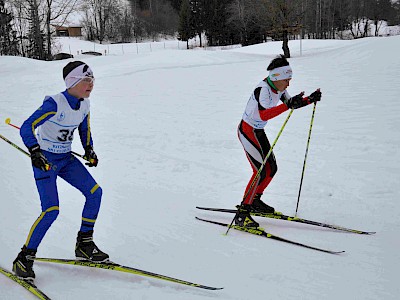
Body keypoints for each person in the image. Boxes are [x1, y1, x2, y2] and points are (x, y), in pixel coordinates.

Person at [13, 61, 109, 280]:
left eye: (92, 80)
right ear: (72, 82)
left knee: (95, 193)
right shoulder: (54, 104)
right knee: (51, 210)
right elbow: (27, 126)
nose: (91, 85)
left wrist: (89, 150)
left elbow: (85, 129)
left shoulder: (84, 104)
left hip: (66, 160)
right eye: (86, 80)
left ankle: (84, 243)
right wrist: (35, 150)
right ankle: (24, 257)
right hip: (46, 161)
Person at [235, 55, 322, 228]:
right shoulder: (263, 89)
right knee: (259, 171)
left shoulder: (278, 88)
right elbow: (264, 114)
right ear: (276, 77)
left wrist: (308, 100)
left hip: (258, 131)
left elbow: (289, 103)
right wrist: (288, 105)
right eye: (286, 80)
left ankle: (255, 202)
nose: (288, 84)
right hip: (247, 131)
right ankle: (242, 214)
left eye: (289, 80)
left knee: (271, 169)